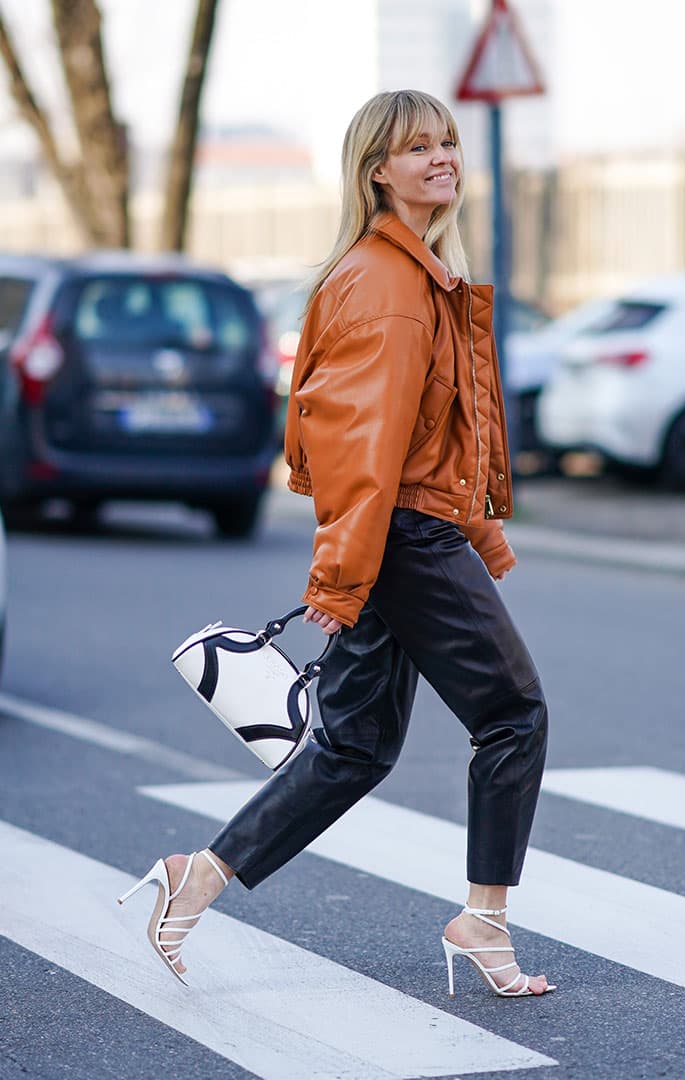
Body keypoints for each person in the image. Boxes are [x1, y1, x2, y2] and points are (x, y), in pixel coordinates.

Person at [118, 89, 554, 998]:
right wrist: (346, 575)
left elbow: (433, 437)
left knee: (353, 747)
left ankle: (190, 880)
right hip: (403, 538)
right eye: (417, 147)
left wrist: (477, 534)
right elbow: (366, 451)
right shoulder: (391, 286)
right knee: (513, 715)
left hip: (408, 531)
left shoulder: (409, 272)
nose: (442, 158)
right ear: (377, 172)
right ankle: (485, 920)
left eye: (448, 142)